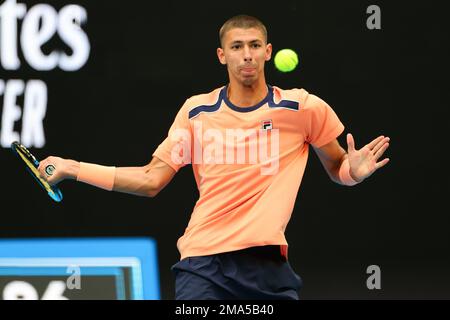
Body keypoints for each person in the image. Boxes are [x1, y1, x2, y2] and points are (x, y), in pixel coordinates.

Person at [37, 14, 390, 300]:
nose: (247, 54)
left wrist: (353, 172)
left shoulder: (302, 108)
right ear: (222, 55)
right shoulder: (196, 112)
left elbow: (337, 166)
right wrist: (72, 168)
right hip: (203, 265)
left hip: (269, 266)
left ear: (268, 52)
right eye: (236, 46)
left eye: (254, 46)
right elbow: (150, 180)